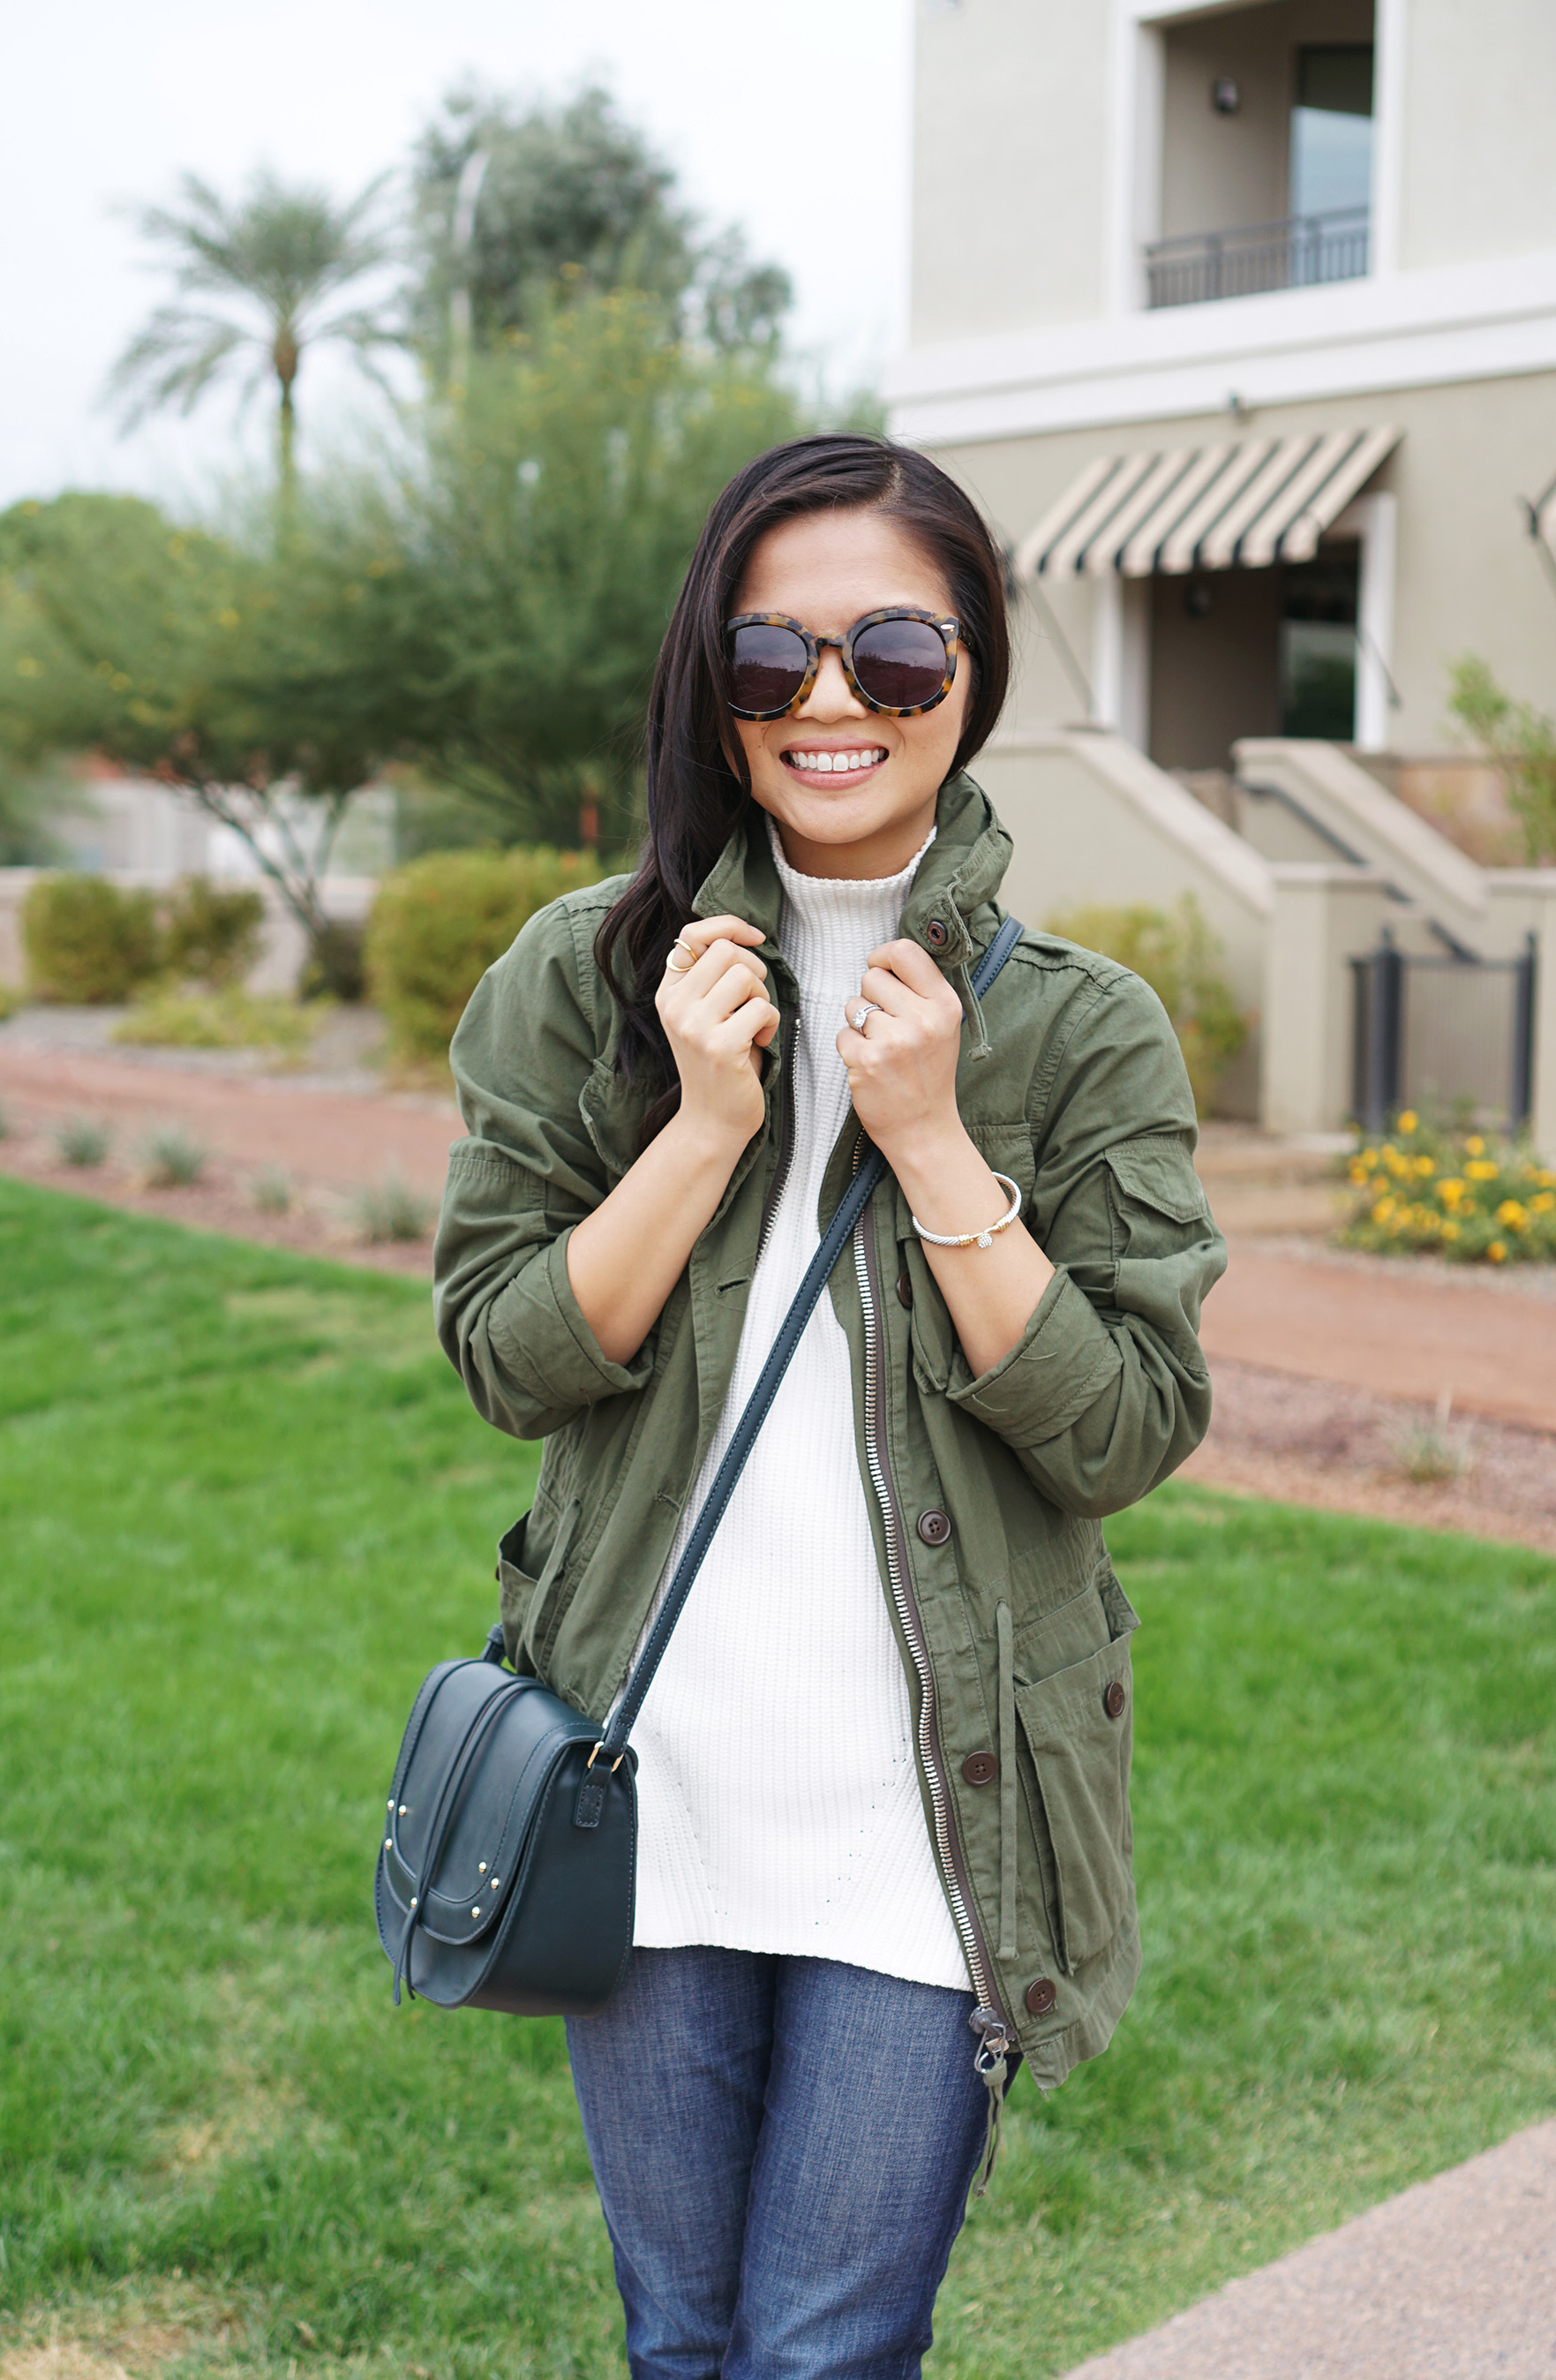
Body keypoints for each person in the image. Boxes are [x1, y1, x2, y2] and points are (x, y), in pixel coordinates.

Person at [433, 435, 1226, 2380]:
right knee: (681, 2337)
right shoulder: (588, 977)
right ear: (716, 682)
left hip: (929, 1812)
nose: (831, 701)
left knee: (824, 2345)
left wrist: (936, 1137)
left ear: (973, 669)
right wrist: (705, 1125)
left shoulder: (1080, 1027)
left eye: (890, 645)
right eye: (772, 654)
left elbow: (1126, 1422)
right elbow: (505, 1355)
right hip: (649, 1786)